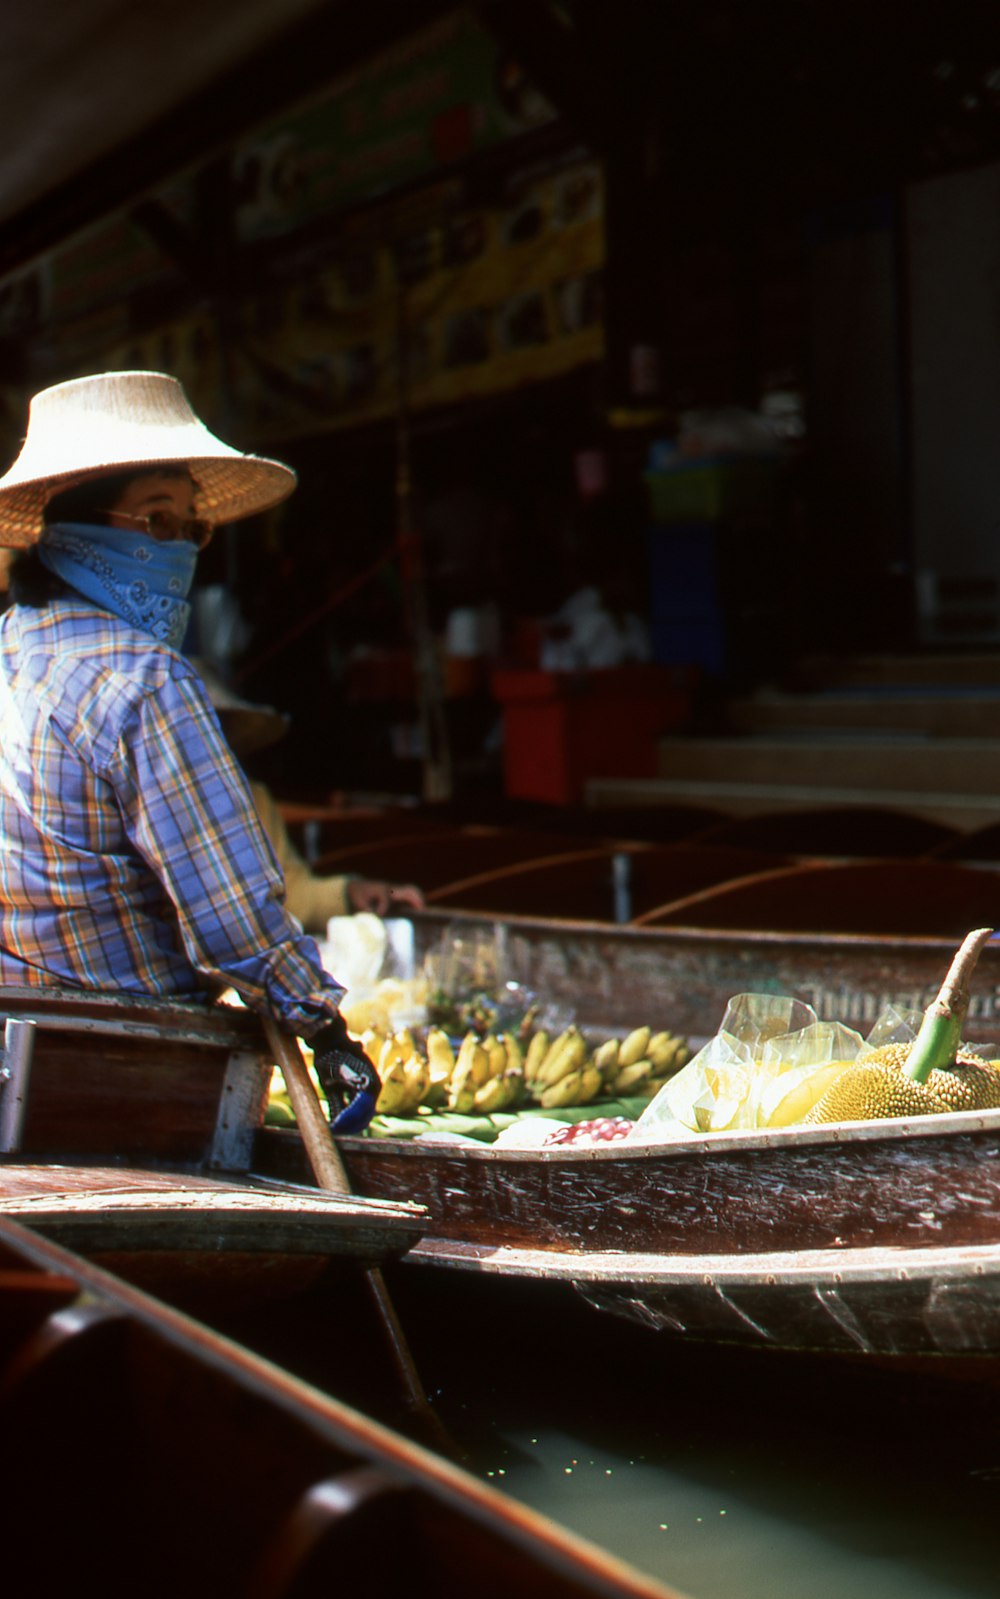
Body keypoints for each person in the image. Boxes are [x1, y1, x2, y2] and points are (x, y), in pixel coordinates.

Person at [0, 369, 382, 1131]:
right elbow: (232, 914)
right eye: (156, 519)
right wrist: (325, 1027)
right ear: (78, 524)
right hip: (132, 1062)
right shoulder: (146, 680)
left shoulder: (9, 652)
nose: (177, 546)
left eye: (187, 526)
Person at [195, 662, 424, 931]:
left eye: (217, 729)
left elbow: (291, 892)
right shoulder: (141, 812)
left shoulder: (250, 799)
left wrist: (351, 891)